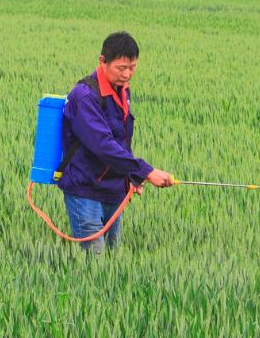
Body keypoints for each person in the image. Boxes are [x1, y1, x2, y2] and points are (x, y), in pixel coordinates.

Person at [58, 31, 174, 252]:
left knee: (113, 258)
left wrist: (132, 175)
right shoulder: (85, 96)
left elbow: (122, 141)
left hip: (114, 189)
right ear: (103, 61)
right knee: (96, 260)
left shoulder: (122, 91)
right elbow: (103, 145)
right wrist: (146, 171)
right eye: (121, 68)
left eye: (132, 67)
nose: (127, 74)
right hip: (86, 190)